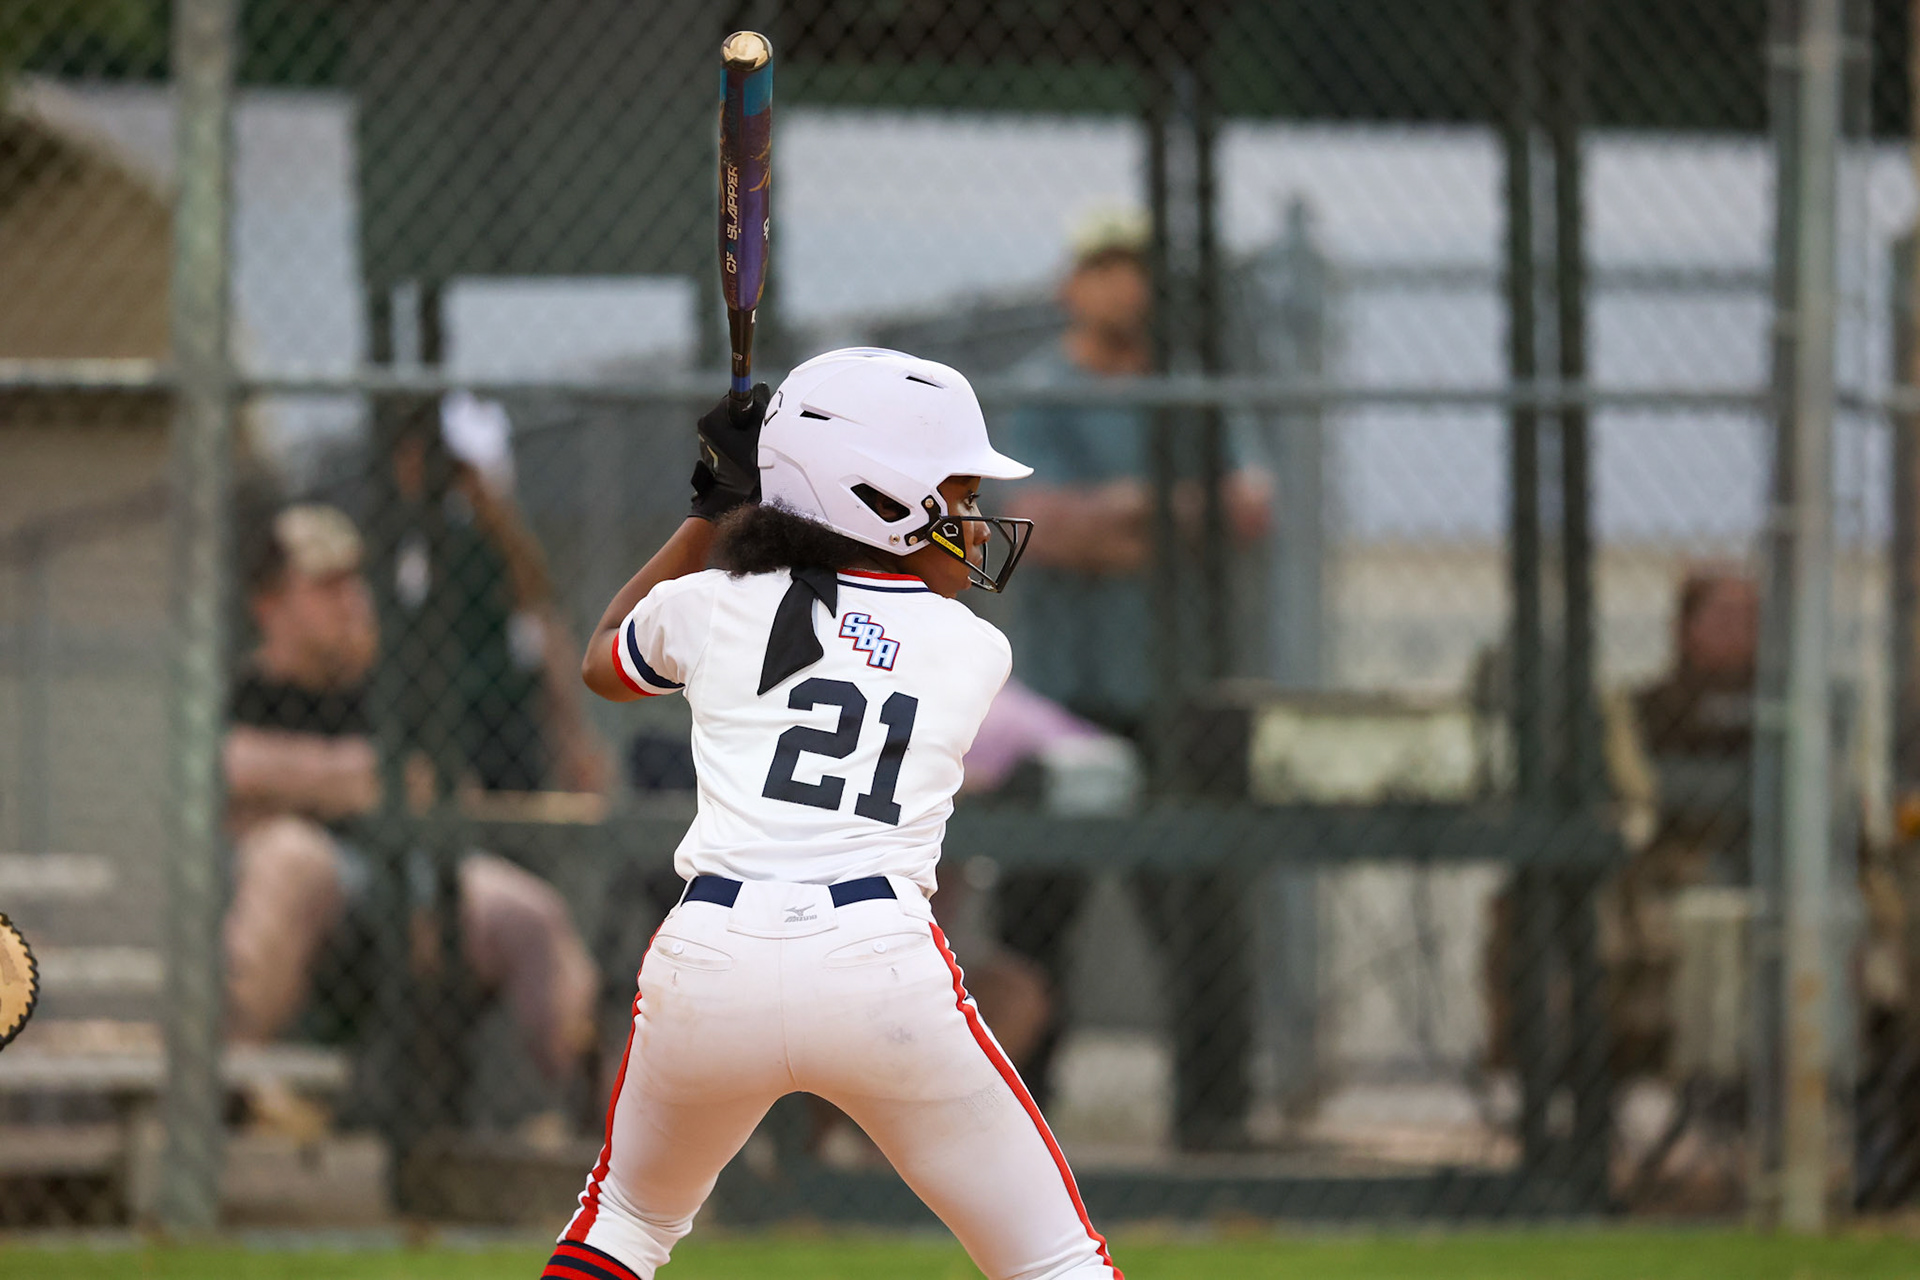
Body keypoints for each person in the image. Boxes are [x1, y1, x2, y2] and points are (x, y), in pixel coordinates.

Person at [544, 349, 1120, 1280]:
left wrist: (710, 516)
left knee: (623, 1225)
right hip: (877, 962)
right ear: (881, 501)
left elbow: (604, 659)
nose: (973, 526)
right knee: (1055, 1260)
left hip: (708, 958)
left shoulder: (710, 603)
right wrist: (749, 509)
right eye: (956, 496)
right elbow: (863, 619)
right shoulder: (973, 649)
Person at [995, 213, 1271, 1150]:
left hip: (1174, 696)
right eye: (1103, 267)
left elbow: (1247, 507)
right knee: (1035, 910)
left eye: (1138, 269)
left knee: (1198, 906)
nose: (1124, 287)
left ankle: (1214, 1119)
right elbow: (1038, 528)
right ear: (1072, 283)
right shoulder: (1041, 389)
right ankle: (1016, 1117)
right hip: (1062, 698)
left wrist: (1119, 515)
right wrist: (1168, 515)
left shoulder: (1187, 388)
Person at [223, 503, 600, 1128]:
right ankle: (225, 1095)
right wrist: (362, 777)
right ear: (269, 606)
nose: (348, 601)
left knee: (528, 912)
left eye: (353, 582)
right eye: (323, 587)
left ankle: (615, 1116)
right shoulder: (247, 690)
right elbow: (233, 771)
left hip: (410, 886)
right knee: (293, 855)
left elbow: (447, 792)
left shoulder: (395, 687)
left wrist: (302, 778)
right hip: (311, 905)